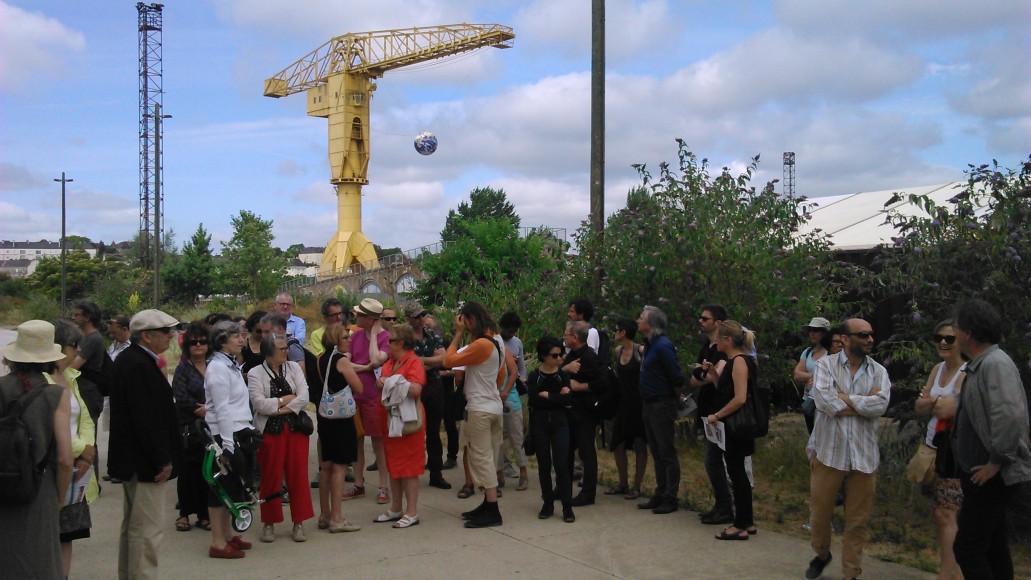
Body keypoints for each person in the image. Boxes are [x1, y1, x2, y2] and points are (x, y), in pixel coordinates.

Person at [804, 318, 890, 580]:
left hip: (864, 457)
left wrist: (843, 398)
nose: (870, 340)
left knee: (857, 521)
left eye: (871, 335)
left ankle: (851, 573)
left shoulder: (879, 372)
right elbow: (824, 402)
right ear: (844, 338)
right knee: (820, 515)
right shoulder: (825, 366)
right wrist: (862, 404)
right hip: (829, 454)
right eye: (863, 335)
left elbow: (881, 406)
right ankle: (821, 554)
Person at [951, 299, 1031, 579]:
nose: (954, 335)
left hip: (990, 477)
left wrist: (996, 462)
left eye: (957, 329)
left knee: (968, 549)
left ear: (969, 333)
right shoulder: (982, 364)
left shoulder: (995, 365)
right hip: (982, 476)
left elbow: (1010, 417)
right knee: (993, 546)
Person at [108, 309, 182, 577]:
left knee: (134, 527)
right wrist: (162, 458)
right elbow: (146, 419)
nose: (171, 336)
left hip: (135, 460)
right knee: (147, 531)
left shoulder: (133, 360)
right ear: (147, 336)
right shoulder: (138, 365)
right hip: (144, 462)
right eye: (165, 332)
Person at [0, 320, 74, 579]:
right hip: (39, 488)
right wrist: (60, 498)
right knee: (39, 561)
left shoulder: (1, 386)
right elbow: (65, 458)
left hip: (3, 485)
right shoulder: (55, 394)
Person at [443, 301, 507, 528]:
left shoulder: (481, 344)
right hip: (493, 407)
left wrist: (458, 334)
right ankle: (488, 505)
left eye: (465, 322)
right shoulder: (497, 340)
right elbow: (502, 374)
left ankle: (492, 509)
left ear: (470, 319)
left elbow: (448, 360)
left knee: (481, 459)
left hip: (479, 410)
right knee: (487, 457)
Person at [248, 332, 313, 543]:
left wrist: (279, 407)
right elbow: (259, 404)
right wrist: (285, 401)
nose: (286, 352)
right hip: (270, 433)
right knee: (270, 476)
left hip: (296, 430)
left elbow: (304, 396)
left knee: (298, 476)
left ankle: (299, 522)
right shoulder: (255, 373)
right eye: (282, 349)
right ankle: (269, 521)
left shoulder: (293, 368)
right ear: (269, 351)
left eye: (286, 348)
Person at [913, 319, 965, 580]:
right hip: (932, 449)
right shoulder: (937, 368)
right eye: (939, 338)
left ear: (961, 342)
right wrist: (933, 401)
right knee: (939, 513)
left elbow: (947, 408)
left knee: (947, 515)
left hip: (953, 454)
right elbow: (919, 407)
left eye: (949, 339)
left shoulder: (965, 372)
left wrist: (930, 400)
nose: (943, 343)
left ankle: (947, 575)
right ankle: (953, 573)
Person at [51, 319, 100, 578]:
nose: (77, 352)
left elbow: (85, 418)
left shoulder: (71, 376)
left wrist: (87, 450)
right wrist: (81, 449)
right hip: (54, 465)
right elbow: (48, 426)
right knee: (48, 533)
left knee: (67, 534)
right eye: (74, 346)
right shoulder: (44, 380)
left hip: (76, 469)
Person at [203, 320, 256, 559]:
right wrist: (226, 445)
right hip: (225, 434)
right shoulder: (217, 368)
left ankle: (226, 535)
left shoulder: (230, 364)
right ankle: (217, 542)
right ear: (222, 340)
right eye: (235, 336)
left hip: (237, 431)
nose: (241, 339)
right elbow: (221, 409)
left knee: (232, 487)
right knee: (220, 488)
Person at [704, 320, 759, 540]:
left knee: (736, 474)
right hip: (733, 425)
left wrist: (717, 415)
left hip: (737, 426)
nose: (715, 341)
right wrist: (714, 374)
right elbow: (725, 390)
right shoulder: (731, 362)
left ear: (728, 340)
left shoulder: (739, 362)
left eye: (718, 337)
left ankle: (740, 524)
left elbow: (739, 398)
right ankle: (747, 520)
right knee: (737, 474)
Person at [374, 323, 426, 528]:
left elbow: (416, 389)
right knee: (393, 463)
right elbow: (383, 379)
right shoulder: (391, 361)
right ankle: (396, 507)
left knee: (409, 466)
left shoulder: (413, 361)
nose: (387, 344)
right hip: (391, 421)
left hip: (408, 421)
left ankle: (411, 511)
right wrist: (383, 382)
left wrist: (393, 382)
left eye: (391, 340)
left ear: (401, 342)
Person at [312, 324, 363, 533]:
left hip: (325, 416)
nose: (349, 339)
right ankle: (337, 517)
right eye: (345, 337)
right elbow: (358, 387)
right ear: (336, 340)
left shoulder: (320, 359)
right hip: (341, 418)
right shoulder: (341, 360)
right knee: (340, 467)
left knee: (326, 466)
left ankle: (324, 514)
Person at [636, 305, 684, 515]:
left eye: (641, 318)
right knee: (656, 450)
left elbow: (675, 375)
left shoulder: (663, 346)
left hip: (661, 403)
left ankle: (670, 496)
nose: (638, 320)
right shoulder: (649, 344)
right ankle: (660, 491)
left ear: (650, 324)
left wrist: (675, 400)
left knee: (666, 451)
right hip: (649, 403)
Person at [343, 298, 390, 504]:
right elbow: (346, 361)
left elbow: (377, 360)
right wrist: (364, 368)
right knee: (356, 442)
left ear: (370, 319)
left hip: (374, 397)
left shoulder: (385, 337)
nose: (356, 317)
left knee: (379, 442)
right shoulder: (355, 336)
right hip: (355, 396)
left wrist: (373, 335)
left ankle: (383, 485)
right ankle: (359, 484)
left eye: (361, 315)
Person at [690, 304, 732, 524]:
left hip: (721, 410)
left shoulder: (725, 348)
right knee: (712, 461)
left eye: (705, 318)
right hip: (706, 409)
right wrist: (705, 373)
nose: (700, 321)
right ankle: (721, 505)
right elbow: (695, 378)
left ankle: (727, 507)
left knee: (715, 460)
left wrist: (707, 374)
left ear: (718, 322)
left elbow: (717, 377)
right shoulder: (706, 347)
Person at [527, 335, 576, 522]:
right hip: (539, 424)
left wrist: (548, 395)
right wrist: (557, 396)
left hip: (559, 422)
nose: (559, 358)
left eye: (561, 354)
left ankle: (567, 506)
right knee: (544, 465)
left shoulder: (563, 375)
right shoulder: (534, 376)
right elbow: (532, 399)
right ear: (544, 356)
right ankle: (547, 502)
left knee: (562, 465)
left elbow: (568, 399)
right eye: (555, 355)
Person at [405, 302, 451, 490]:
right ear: (408, 318)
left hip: (433, 386)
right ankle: (411, 471)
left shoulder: (431, 334)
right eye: (417, 316)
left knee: (433, 431)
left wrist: (422, 361)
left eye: (423, 314)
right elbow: (408, 363)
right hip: (414, 387)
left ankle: (436, 472)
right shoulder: (405, 338)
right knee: (412, 430)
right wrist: (432, 361)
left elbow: (444, 358)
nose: (421, 318)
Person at [171, 322, 211, 533]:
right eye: (194, 342)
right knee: (188, 472)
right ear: (187, 345)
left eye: (202, 341)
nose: (198, 345)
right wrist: (200, 410)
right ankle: (185, 513)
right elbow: (180, 395)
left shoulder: (215, 366)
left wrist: (211, 411)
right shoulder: (183, 369)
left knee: (208, 471)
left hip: (211, 427)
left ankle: (205, 514)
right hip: (189, 426)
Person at [560, 320, 606, 507]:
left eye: (566, 335)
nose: (564, 338)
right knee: (566, 452)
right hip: (570, 412)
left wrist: (582, 387)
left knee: (587, 452)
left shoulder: (589, 357)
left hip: (584, 413)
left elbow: (603, 382)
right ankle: (563, 488)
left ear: (575, 337)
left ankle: (588, 493)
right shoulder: (571, 355)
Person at [606, 317, 647, 500]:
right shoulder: (618, 350)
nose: (614, 333)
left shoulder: (640, 351)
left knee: (639, 444)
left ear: (623, 333)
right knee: (618, 444)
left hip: (638, 404)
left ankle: (636, 486)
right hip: (622, 404)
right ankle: (623, 482)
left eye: (616, 329)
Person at [498, 311, 529, 492]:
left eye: (514, 331)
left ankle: (523, 471)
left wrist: (520, 379)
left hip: (512, 396)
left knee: (517, 436)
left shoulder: (517, 343)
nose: (511, 333)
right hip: (495, 394)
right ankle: (500, 471)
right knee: (497, 438)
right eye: (509, 330)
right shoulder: (495, 342)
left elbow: (522, 369)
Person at [794, 317, 832, 434]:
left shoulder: (831, 352)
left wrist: (811, 376)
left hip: (825, 401)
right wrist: (816, 376)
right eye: (810, 330)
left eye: (816, 330)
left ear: (825, 333)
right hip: (809, 400)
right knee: (812, 436)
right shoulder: (808, 352)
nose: (812, 333)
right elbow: (797, 374)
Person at [69, 300, 104, 423]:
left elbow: (73, 367)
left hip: (88, 392)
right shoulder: (84, 337)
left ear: (87, 318)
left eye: (77, 315)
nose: (73, 318)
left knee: (87, 433)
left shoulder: (93, 339)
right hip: (82, 389)